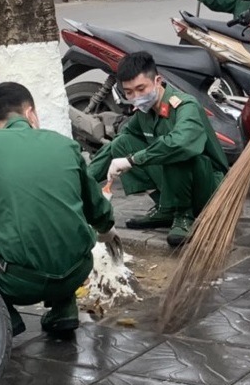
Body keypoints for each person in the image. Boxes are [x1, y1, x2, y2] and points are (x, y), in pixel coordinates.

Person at [0, 82, 115, 337]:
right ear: (30, 113)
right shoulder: (64, 145)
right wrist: (106, 230)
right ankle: (64, 310)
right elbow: (97, 208)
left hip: (18, 282)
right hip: (77, 269)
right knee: (59, 228)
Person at [87, 51, 228, 247]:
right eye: (129, 92)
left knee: (173, 150)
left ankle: (183, 215)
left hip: (208, 186)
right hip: (179, 182)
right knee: (122, 143)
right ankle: (166, 207)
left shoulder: (185, 106)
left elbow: (180, 144)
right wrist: (81, 182)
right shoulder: (145, 111)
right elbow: (119, 143)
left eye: (141, 88)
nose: (135, 97)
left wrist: (132, 160)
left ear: (157, 81)